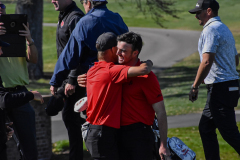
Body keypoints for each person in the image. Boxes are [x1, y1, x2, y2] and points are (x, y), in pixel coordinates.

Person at [78, 32, 171, 160]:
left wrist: (163, 145)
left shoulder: (147, 77)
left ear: (135, 53)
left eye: (123, 51)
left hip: (139, 137)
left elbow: (160, 112)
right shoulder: (113, 71)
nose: (118, 54)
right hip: (116, 135)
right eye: (117, 50)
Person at [188, 0, 240, 159]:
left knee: (230, 133)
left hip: (221, 89)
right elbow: (235, 58)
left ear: (209, 11)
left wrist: (195, 85)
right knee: (205, 128)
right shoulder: (223, 28)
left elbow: (206, 61)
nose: (196, 16)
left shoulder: (210, 30)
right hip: (226, 87)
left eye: (198, 12)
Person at [50, 0, 128, 93]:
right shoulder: (117, 19)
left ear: (89, 3)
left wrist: (55, 81)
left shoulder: (85, 22)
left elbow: (70, 54)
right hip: (118, 76)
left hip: (95, 79)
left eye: (83, 2)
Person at [0, 1, 40, 159]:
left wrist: (29, 40)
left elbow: (34, 60)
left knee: (29, 147)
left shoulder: (16, 30)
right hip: (2, 96)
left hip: (20, 93)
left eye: (2, 11)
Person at [51, 0, 86, 159]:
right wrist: (56, 80)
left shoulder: (75, 18)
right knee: (71, 117)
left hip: (77, 79)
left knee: (70, 117)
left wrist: (72, 80)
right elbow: (63, 54)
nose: (52, 0)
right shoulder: (64, 16)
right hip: (67, 79)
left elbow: (79, 51)